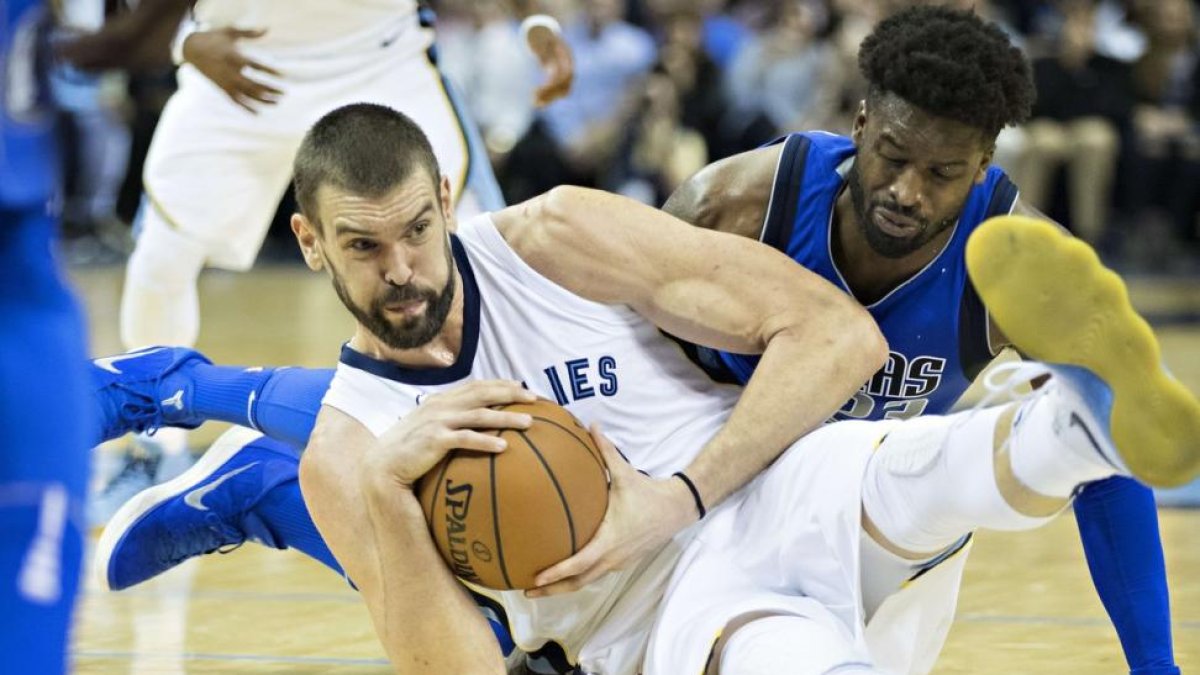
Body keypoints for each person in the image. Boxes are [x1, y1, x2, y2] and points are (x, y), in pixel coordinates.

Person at [89, 7, 1182, 672]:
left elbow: (839, 345)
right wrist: (378, 490)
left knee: (955, 461)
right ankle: (224, 441)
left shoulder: (560, 235)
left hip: (785, 473)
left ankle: (1066, 426)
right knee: (431, 483)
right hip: (666, 569)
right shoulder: (739, 200)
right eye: (364, 246)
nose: (907, 192)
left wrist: (1155, 665)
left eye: (419, 229)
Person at [87, 0, 576, 524]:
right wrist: (179, 42)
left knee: (471, 245)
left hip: (380, 61)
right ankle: (155, 450)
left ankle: (519, 425)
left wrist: (538, 21)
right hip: (241, 65)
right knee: (161, 257)